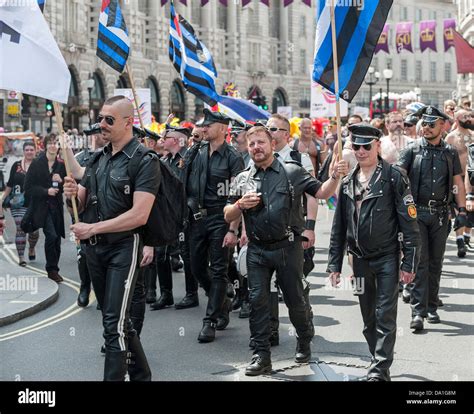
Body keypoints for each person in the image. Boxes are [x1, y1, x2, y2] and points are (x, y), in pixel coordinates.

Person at [224, 126, 348, 376]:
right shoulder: (242, 178)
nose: (256, 148)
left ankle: (304, 338)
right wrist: (239, 204)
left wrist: (335, 176)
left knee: (295, 301)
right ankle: (261, 354)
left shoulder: (292, 171)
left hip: (287, 248)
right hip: (257, 249)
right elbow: (227, 214)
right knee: (258, 302)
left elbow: (322, 193)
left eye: (261, 142)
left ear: (271, 143)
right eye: (252, 144)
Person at [63, 96, 160, 381]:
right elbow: (83, 202)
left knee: (112, 325)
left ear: (129, 122)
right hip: (96, 251)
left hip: (123, 247)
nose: (101, 124)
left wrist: (92, 229)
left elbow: (139, 215)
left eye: (109, 119)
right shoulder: (98, 158)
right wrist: (74, 193)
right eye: (100, 118)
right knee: (118, 320)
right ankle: (142, 376)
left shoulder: (144, 160)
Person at [327, 123, 420, 382]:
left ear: (378, 146)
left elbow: (410, 226)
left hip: (388, 257)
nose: (361, 151)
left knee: (385, 314)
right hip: (358, 259)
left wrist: (409, 263)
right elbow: (339, 227)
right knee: (368, 318)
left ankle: (379, 369)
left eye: (366, 146)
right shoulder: (347, 182)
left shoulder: (394, 177)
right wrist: (334, 264)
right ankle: (376, 359)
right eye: (356, 146)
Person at [397, 106, 467, 331]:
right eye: (423, 124)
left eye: (431, 124)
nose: (425, 128)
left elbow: (457, 182)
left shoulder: (450, 152)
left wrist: (462, 210)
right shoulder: (411, 150)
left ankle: (432, 305)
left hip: (440, 214)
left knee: (436, 262)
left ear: (442, 126)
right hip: (416, 214)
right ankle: (418, 311)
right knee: (420, 261)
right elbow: (398, 180)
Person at [186, 109, 244, 343]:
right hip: (197, 218)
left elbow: (238, 195)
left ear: (222, 128)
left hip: (222, 217)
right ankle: (221, 302)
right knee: (197, 267)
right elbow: (182, 177)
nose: (204, 128)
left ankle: (210, 320)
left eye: (208, 125)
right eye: (203, 125)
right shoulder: (198, 152)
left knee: (219, 268)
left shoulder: (232, 157)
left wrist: (233, 229)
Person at [150, 125, 199, 310]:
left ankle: (191, 294)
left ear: (178, 140)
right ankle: (166, 294)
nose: (163, 139)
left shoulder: (189, 159)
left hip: (183, 215)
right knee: (160, 254)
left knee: (187, 255)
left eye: (167, 136)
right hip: (165, 215)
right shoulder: (164, 160)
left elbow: (193, 187)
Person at [23, 134, 66, 283]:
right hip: (42, 207)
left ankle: (54, 268)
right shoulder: (37, 163)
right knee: (52, 236)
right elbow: (27, 188)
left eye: (56, 143)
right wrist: (45, 191)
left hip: (57, 207)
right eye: (50, 143)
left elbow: (67, 186)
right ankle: (51, 270)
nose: (53, 145)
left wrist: (61, 182)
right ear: (45, 145)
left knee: (57, 240)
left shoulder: (61, 164)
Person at [0, 141, 40, 266]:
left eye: (31, 150)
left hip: (35, 204)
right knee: (21, 228)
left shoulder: (39, 165)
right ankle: (21, 257)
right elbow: (10, 184)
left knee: (34, 232)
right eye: (27, 150)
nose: (29, 152)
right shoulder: (16, 165)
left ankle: (32, 248)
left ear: (35, 151)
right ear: (23, 151)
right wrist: (2, 198)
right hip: (17, 203)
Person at [445, 109, 474, 256]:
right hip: (457, 177)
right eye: (465, 116)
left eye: (470, 116)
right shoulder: (451, 138)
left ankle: (466, 237)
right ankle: (460, 240)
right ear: (457, 119)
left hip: (472, 177)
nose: (469, 119)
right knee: (459, 210)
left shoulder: (473, 135)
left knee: (471, 210)